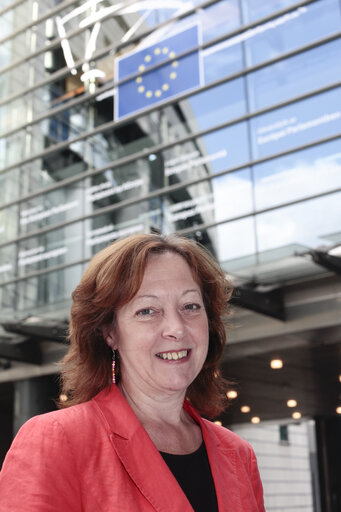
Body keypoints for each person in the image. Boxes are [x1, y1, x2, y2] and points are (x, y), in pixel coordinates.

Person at [0, 233, 265, 511]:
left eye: (190, 306)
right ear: (109, 333)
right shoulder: (56, 440)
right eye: (148, 311)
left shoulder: (238, 454)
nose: (176, 328)